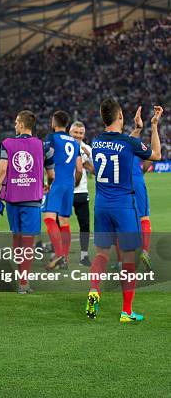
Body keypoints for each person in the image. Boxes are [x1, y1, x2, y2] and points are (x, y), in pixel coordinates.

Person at [86, 101, 162, 323]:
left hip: (101, 207)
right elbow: (156, 154)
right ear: (120, 115)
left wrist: (137, 130)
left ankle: (93, 290)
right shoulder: (128, 143)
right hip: (124, 207)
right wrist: (154, 125)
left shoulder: (97, 142)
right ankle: (126, 311)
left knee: (101, 254)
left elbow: (118, 146)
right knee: (128, 260)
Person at [0, 110, 54, 294]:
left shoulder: (7, 144)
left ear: (22, 125)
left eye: (17, 122)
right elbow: (51, 174)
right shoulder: (43, 146)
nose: (15, 125)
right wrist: (47, 185)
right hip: (32, 200)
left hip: (13, 199)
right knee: (28, 242)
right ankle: (24, 282)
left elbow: (2, 169)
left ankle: (21, 278)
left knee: (17, 239)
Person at [42, 111, 83, 270]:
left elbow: (47, 156)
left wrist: (48, 180)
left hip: (56, 182)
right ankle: (64, 258)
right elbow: (79, 168)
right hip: (69, 184)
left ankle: (59, 253)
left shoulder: (51, 138)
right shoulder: (74, 142)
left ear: (54, 122)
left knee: (49, 218)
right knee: (64, 221)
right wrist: (74, 183)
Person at [128, 107, 154, 272]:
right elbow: (148, 162)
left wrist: (137, 128)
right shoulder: (138, 145)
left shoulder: (121, 145)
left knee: (126, 219)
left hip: (121, 185)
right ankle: (145, 251)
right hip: (137, 181)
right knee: (144, 217)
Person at [68, 121, 95, 266]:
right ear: (70, 132)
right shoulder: (63, 147)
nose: (78, 136)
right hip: (66, 191)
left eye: (81, 133)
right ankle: (60, 255)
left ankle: (84, 256)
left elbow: (96, 172)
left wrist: (89, 159)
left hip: (81, 192)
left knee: (85, 225)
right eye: (75, 133)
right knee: (61, 224)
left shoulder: (87, 149)